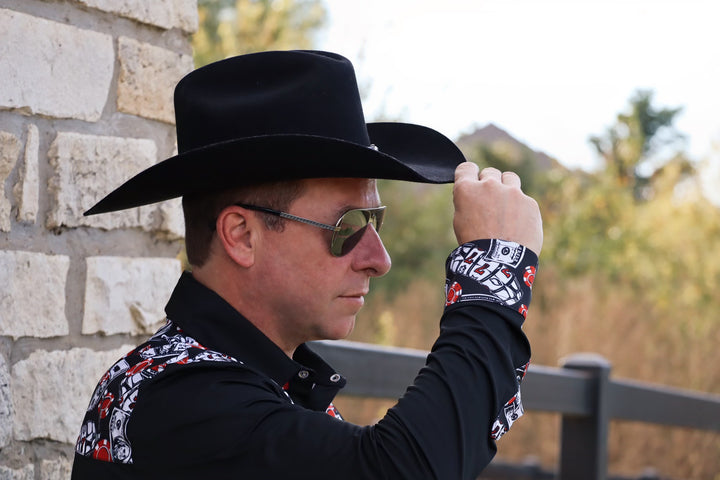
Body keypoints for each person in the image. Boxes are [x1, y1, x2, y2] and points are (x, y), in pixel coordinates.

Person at [71, 50, 542, 479]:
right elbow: (399, 470)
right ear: (242, 236)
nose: (379, 260)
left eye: (375, 221)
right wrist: (494, 269)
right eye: (348, 225)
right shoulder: (183, 402)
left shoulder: (244, 385)